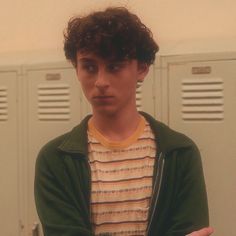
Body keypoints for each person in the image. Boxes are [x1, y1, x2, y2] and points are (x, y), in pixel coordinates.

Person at [34, 7, 213, 236]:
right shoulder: (56, 160)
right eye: (89, 67)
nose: (100, 81)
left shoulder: (179, 153)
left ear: (142, 69)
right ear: (76, 69)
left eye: (114, 66)